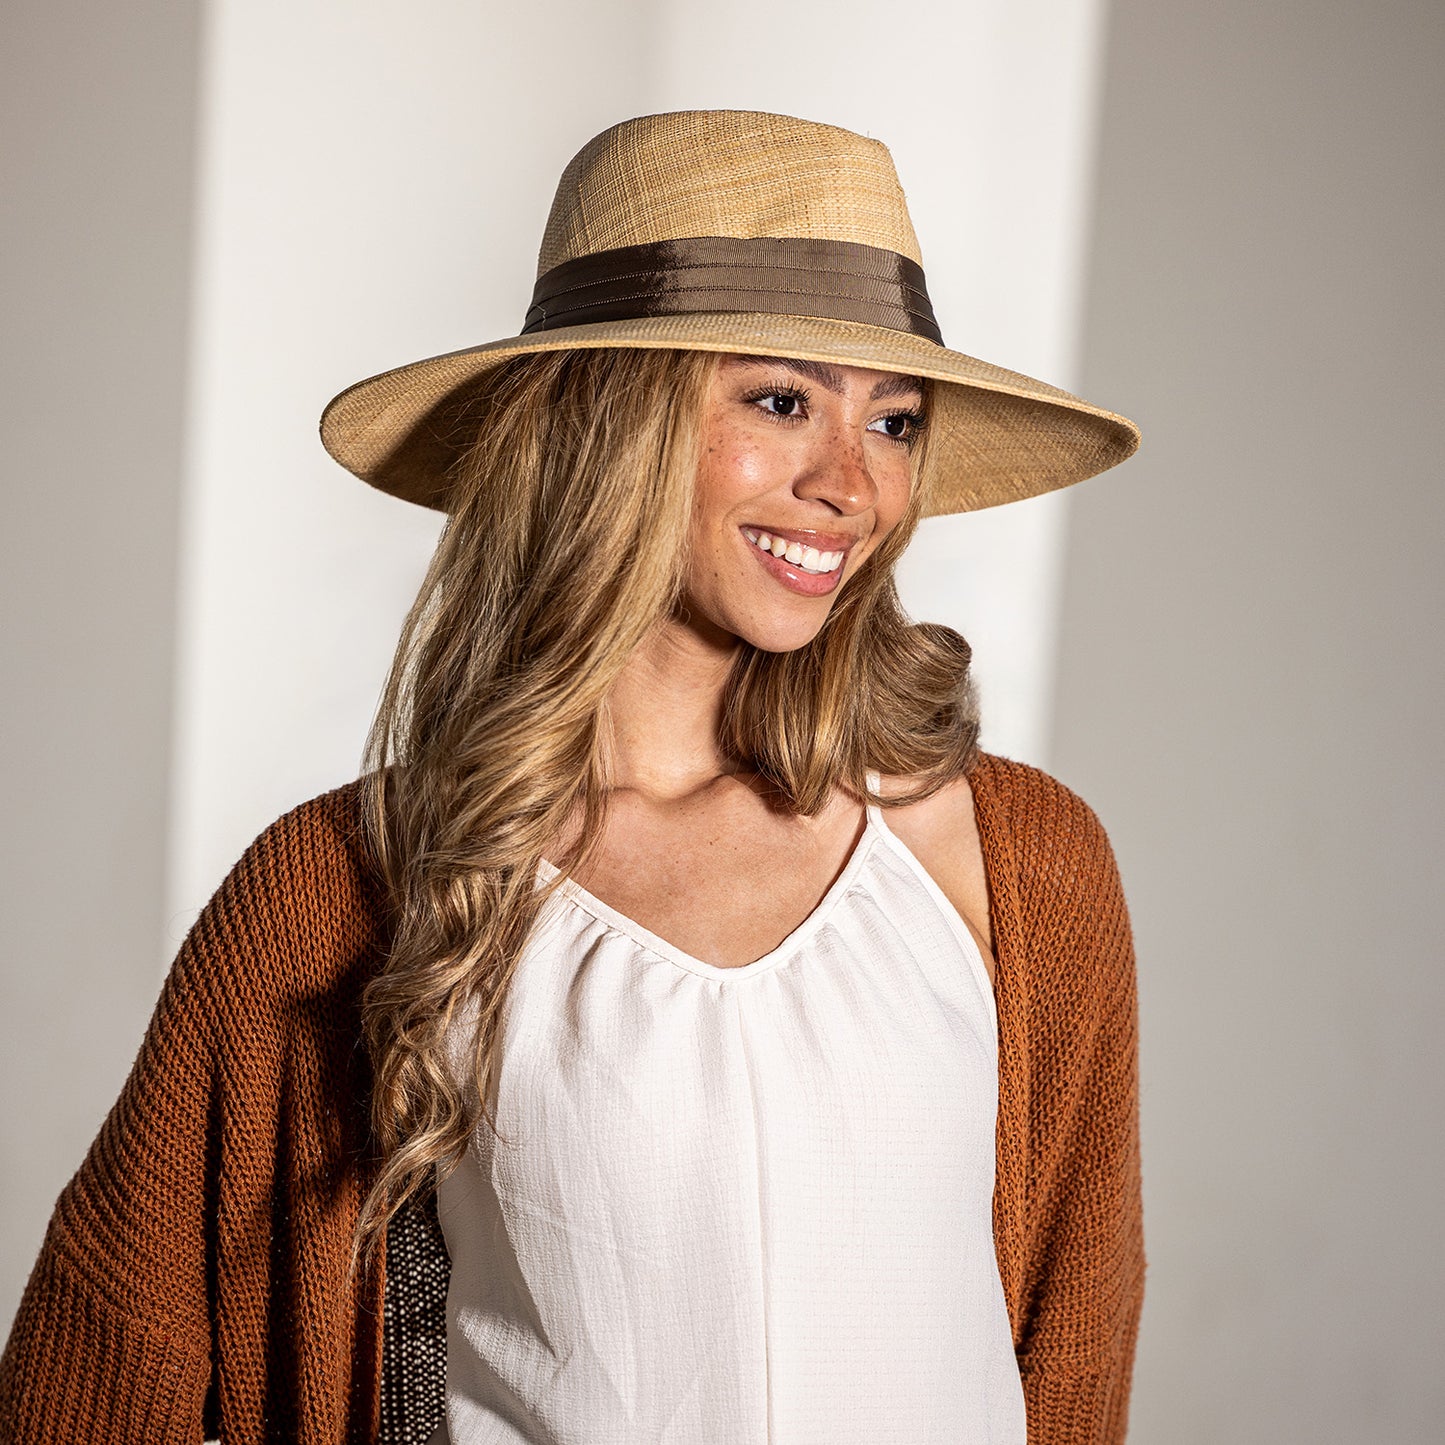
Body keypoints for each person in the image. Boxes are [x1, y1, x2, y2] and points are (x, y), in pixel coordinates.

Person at [0, 110, 1144, 1444]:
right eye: (780, 401)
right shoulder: (344, 890)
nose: (852, 483)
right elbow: (105, 1349)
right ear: (612, 422)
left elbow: (1068, 1349)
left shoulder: (1015, 858)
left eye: (894, 421)